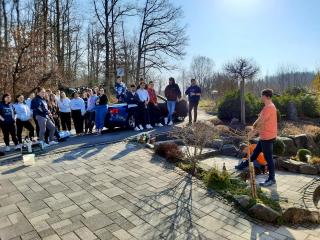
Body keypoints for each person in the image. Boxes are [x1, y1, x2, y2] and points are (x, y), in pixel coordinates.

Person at [248, 89, 278, 187]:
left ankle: (272, 179)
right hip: (265, 135)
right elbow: (260, 118)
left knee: (268, 158)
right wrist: (254, 125)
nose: (261, 97)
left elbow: (261, 123)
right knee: (255, 153)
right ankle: (244, 165)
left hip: (267, 136)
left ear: (267, 96)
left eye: (262, 95)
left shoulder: (269, 107)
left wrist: (252, 133)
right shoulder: (267, 107)